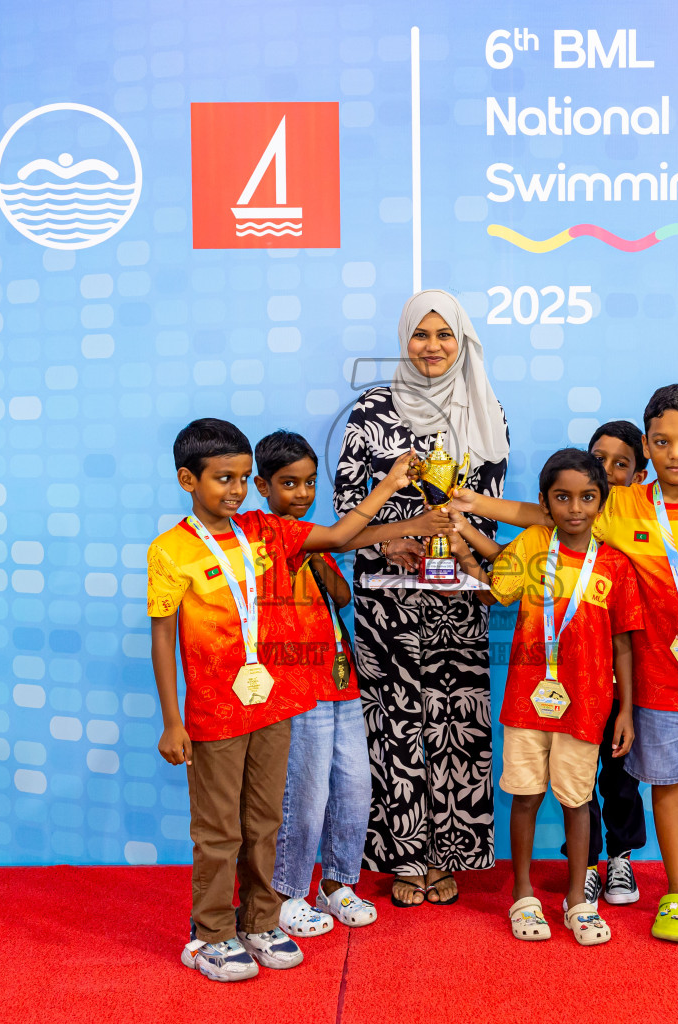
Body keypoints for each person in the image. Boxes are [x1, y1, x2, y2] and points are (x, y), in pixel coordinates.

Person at [452, 385, 678, 943]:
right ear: (648, 450)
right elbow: (550, 514)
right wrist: (475, 505)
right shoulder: (624, 504)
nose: (676, 453)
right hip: (656, 680)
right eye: (662, 442)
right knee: (667, 784)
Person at [148, 418, 413, 983]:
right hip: (215, 715)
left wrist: (388, 491)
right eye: (223, 479)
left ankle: (261, 919)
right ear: (186, 479)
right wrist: (173, 721)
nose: (237, 490)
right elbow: (162, 641)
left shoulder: (264, 530)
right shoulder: (170, 551)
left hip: (273, 707)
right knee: (220, 829)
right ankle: (210, 934)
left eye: (244, 478)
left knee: (265, 819)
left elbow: (339, 538)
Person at [333, 289, 509, 908]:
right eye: (420, 335)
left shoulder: (487, 408)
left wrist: (456, 541)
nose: (432, 347)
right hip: (389, 600)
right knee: (397, 726)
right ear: (404, 339)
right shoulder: (373, 410)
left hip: (458, 595)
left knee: (457, 726)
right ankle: (405, 857)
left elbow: (487, 507)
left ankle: (449, 856)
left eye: (445, 336)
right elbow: (345, 507)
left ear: (463, 342)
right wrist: (395, 543)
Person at [451, 448, 641, 945]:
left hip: (588, 703)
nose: (574, 508)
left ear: (602, 503)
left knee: (579, 801)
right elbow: (496, 591)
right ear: (545, 501)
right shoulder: (534, 545)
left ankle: (578, 898)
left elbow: (624, 643)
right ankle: (523, 895)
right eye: (562, 497)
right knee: (526, 796)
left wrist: (627, 710)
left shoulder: (616, 565)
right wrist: (460, 552)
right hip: (525, 701)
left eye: (586, 497)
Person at [251, 430, 378, 937]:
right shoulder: (260, 532)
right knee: (303, 796)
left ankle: (338, 882)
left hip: (340, 681)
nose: (301, 494)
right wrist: (390, 487)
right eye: (288, 484)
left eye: (309, 482)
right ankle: (287, 893)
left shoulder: (312, 536)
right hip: (297, 685)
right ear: (262, 486)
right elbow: (345, 536)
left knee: (353, 788)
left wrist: (324, 565)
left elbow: (343, 596)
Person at [567, 420, 652, 907]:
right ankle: (587, 861)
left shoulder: (639, 517)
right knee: (578, 777)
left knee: (621, 776)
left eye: (621, 464)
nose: (608, 471)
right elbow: (522, 513)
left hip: (628, 671)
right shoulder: (571, 516)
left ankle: (620, 858)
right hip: (577, 675)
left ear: (639, 475)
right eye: (598, 459)